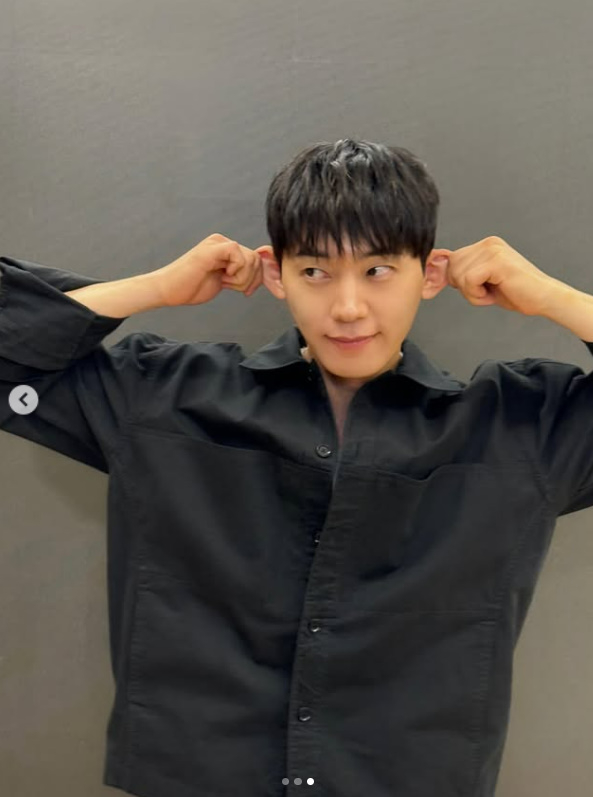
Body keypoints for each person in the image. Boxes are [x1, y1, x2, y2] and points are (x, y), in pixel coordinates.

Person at [2, 138, 593, 797]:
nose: (347, 307)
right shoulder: (163, 398)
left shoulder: (521, 427)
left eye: (377, 270)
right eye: (315, 271)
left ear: (429, 274)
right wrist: (154, 288)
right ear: (275, 272)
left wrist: (554, 297)